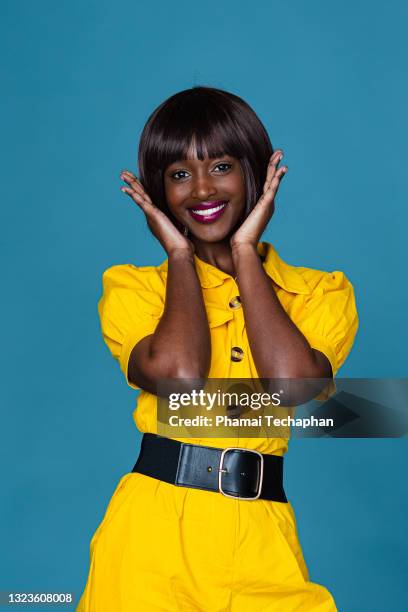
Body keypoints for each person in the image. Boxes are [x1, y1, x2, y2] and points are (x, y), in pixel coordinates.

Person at [77, 86, 358, 611]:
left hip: (263, 537)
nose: (201, 189)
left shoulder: (321, 292)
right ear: (159, 191)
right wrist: (180, 255)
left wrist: (245, 253)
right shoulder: (134, 288)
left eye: (222, 166)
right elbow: (178, 377)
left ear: (256, 171)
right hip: (151, 542)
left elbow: (293, 387)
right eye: (179, 174)